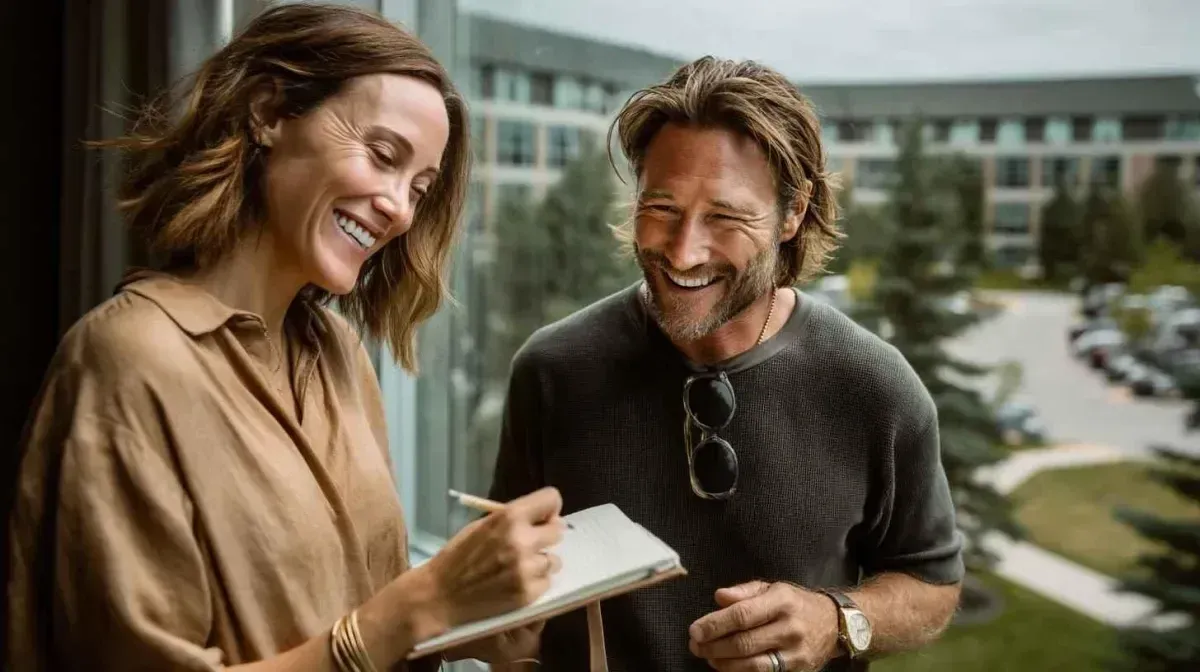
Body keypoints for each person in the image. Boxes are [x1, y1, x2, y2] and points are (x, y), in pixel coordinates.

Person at [6, 4, 564, 671]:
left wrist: (470, 622)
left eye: (420, 187)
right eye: (383, 157)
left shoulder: (339, 356)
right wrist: (414, 608)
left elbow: (352, 608)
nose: (399, 209)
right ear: (269, 111)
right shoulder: (129, 360)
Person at [488, 56, 965, 672]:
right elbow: (500, 592)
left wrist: (836, 620)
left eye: (725, 216)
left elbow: (933, 586)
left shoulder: (876, 387)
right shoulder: (551, 371)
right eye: (661, 208)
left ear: (793, 214)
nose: (683, 251)